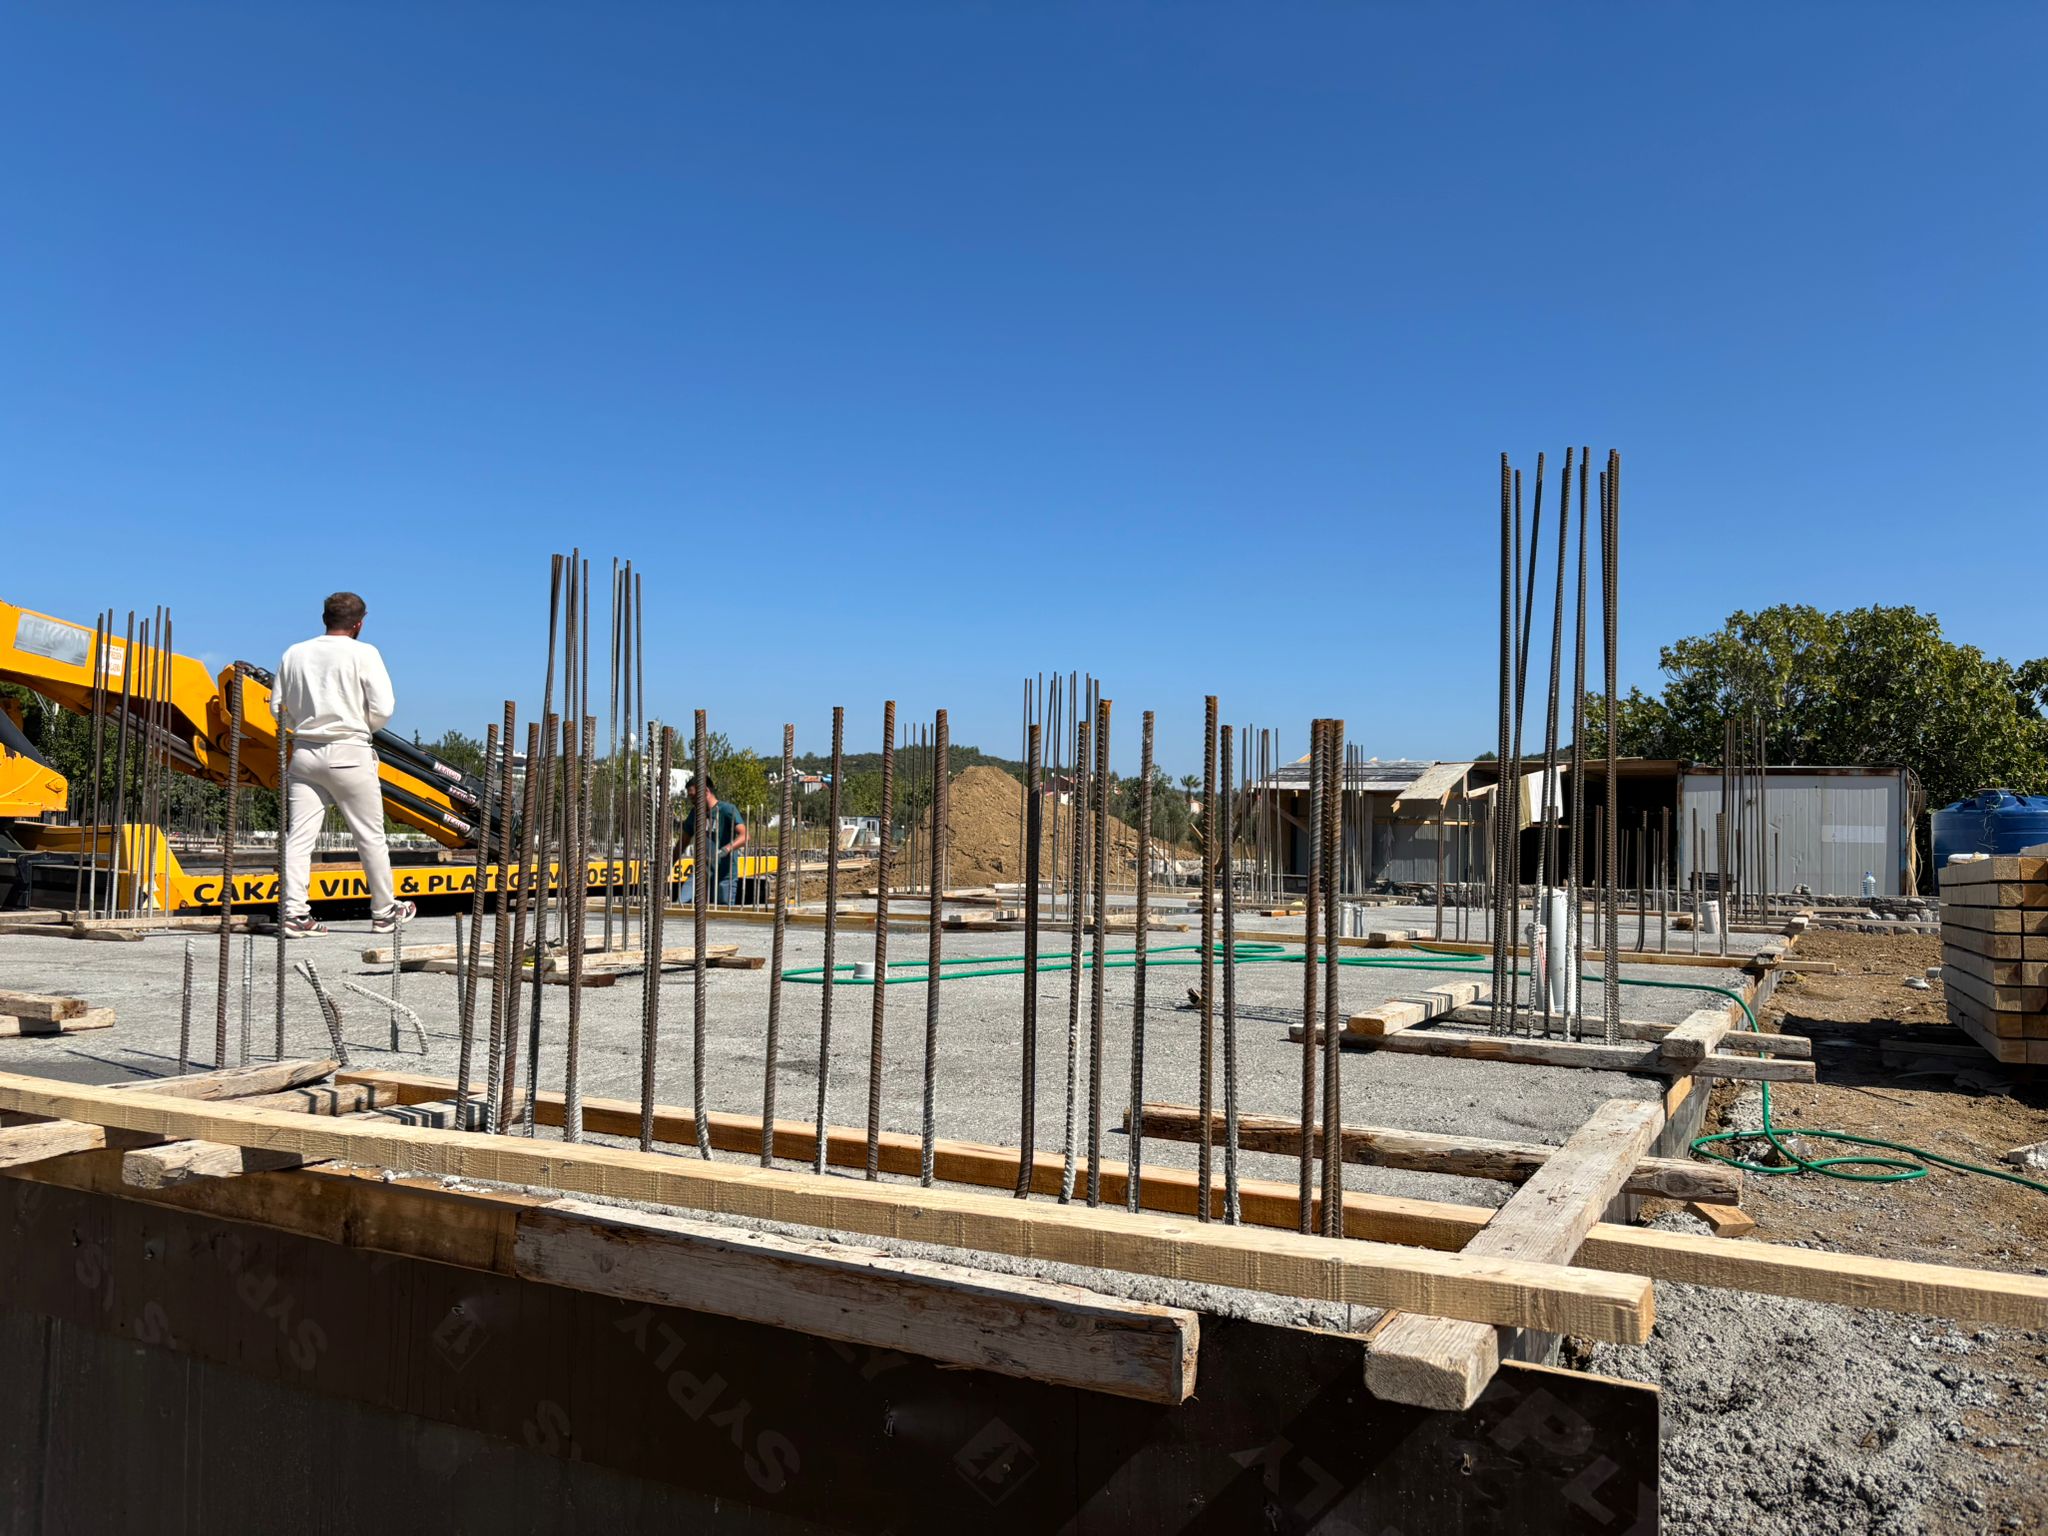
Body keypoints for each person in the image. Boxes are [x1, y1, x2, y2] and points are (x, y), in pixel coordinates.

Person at [275, 591, 416, 937]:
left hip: (305, 752)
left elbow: (278, 706)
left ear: (324, 617)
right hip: (349, 752)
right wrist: (357, 725)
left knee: (299, 838)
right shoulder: (364, 653)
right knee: (369, 836)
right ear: (359, 623)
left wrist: (306, 724)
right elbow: (383, 707)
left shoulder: (295, 652)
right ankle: (384, 912)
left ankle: (294, 914)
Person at [675, 775, 748, 905]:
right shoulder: (695, 813)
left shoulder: (727, 810)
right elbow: (683, 842)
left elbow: (745, 836)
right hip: (701, 872)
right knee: (681, 904)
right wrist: (668, 864)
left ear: (706, 791)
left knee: (722, 917)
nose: (691, 800)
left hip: (725, 876)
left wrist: (725, 850)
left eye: (693, 796)